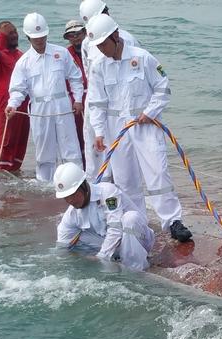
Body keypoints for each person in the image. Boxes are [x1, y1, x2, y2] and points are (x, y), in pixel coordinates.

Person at [86, 14, 193, 242]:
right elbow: (96, 102)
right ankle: (137, 223)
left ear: (115, 36)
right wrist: (99, 132)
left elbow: (162, 87)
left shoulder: (142, 58)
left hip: (145, 125)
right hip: (117, 130)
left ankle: (173, 221)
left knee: (158, 172)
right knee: (125, 180)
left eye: (103, 43)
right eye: (97, 45)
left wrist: (150, 112)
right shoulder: (99, 67)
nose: (101, 49)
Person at [6, 13, 84, 183]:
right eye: (35, 38)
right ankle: (44, 185)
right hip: (40, 109)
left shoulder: (61, 53)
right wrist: (13, 104)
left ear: (47, 34)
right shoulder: (24, 62)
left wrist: (77, 99)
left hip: (62, 105)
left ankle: (78, 182)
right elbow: (18, 89)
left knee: (70, 147)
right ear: (28, 37)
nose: (40, 40)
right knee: (44, 150)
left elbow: (75, 78)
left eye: (42, 36)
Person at [54, 162, 155, 271]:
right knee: (75, 242)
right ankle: (112, 262)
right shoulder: (71, 214)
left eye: (73, 195)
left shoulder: (108, 192)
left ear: (83, 186)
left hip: (138, 236)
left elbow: (116, 229)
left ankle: (135, 270)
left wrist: (101, 257)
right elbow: (61, 246)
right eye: (66, 197)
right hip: (112, 247)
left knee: (130, 219)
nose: (70, 200)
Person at [79, 0, 139, 181]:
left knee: (123, 157)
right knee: (95, 153)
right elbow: (89, 74)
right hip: (95, 101)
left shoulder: (126, 39)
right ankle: (97, 195)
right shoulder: (86, 43)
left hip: (122, 105)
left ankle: (121, 196)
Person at [0, 21, 29, 173]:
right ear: (1, 37)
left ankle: (16, 172)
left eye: (15, 31)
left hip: (23, 103)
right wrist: (1, 37)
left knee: (20, 140)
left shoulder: (21, 55)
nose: (14, 34)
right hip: (5, 104)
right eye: (9, 33)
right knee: (6, 140)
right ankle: (2, 174)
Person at [64, 20, 88, 167]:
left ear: (85, 33)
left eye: (78, 33)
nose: (76, 37)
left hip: (94, 97)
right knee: (77, 136)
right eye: (71, 35)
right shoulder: (65, 54)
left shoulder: (96, 49)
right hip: (75, 101)